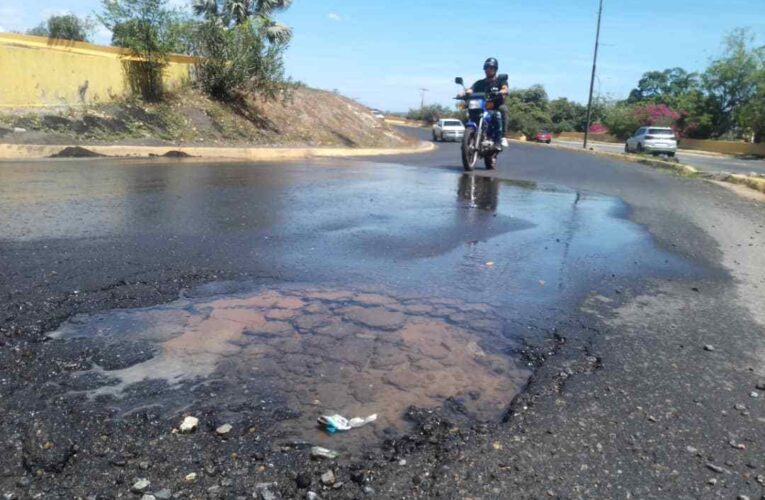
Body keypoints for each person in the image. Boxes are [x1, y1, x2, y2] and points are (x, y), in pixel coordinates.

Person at [465, 57, 509, 149]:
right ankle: (471, 135)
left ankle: (501, 138)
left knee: (502, 110)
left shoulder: (501, 81)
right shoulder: (479, 83)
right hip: (482, 106)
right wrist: (465, 93)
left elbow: (505, 88)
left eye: (491, 68)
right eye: (486, 68)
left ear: (495, 69)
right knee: (470, 112)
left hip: (495, 106)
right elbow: (470, 89)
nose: (488, 70)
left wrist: (502, 91)